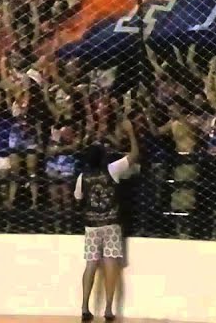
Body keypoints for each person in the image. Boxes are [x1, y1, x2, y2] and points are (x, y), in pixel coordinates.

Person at [76, 119, 140, 323]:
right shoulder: (112, 169)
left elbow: (78, 198)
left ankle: (84, 306)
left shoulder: (82, 177)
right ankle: (109, 309)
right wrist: (130, 132)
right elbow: (134, 155)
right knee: (111, 264)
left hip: (91, 225)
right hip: (111, 223)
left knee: (90, 264)